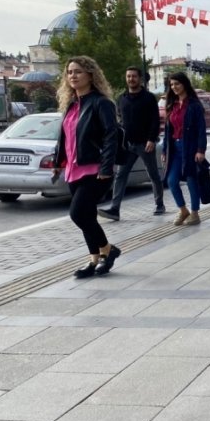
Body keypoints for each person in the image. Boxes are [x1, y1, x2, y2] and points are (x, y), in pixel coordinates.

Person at [53, 56, 121, 278]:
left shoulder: (101, 103)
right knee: (88, 216)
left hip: (95, 169)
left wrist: (106, 167)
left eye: (78, 71)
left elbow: (112, 136)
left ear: (90, 75)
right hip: (74, 169)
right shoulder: (72, 105)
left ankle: (108, 250)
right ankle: (95, 260)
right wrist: (57, 162)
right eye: (70, 72)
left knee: (78, 214)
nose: (73, 76)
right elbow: (65, 137)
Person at [98, 66, 164, 221]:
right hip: (127, 145)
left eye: (134, 76)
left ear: (139, 79)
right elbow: (119, 120)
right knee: (120, 175)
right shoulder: (122, 98)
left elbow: (155, 120)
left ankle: (159, 204)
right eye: (128, 76)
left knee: (153, 174)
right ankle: (115, 209)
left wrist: (151, 139)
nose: (131, 79)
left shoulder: (148, 98)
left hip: (145, 144)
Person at [161, 72, 207, 226]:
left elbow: (201, 128)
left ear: (184, 84)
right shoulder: (171, 104)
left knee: (191, 180)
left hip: (190, 148)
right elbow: (168, 130)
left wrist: (201, 150)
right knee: (171, 181)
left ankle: (194, 213)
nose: (174, 87)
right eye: (172, 84)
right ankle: (183, 210)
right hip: (174, 148)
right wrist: (164, 150)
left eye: (177, 84)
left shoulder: (194, 105)